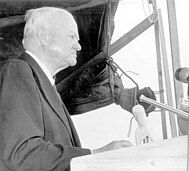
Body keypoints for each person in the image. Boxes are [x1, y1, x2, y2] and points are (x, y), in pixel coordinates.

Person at [0, 7, 132, 171]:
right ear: (44, 36)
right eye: (72, 37)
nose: (78, 47)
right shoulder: (18, 70)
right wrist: (94, 155)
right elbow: (19, 154)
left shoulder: (45, 84)